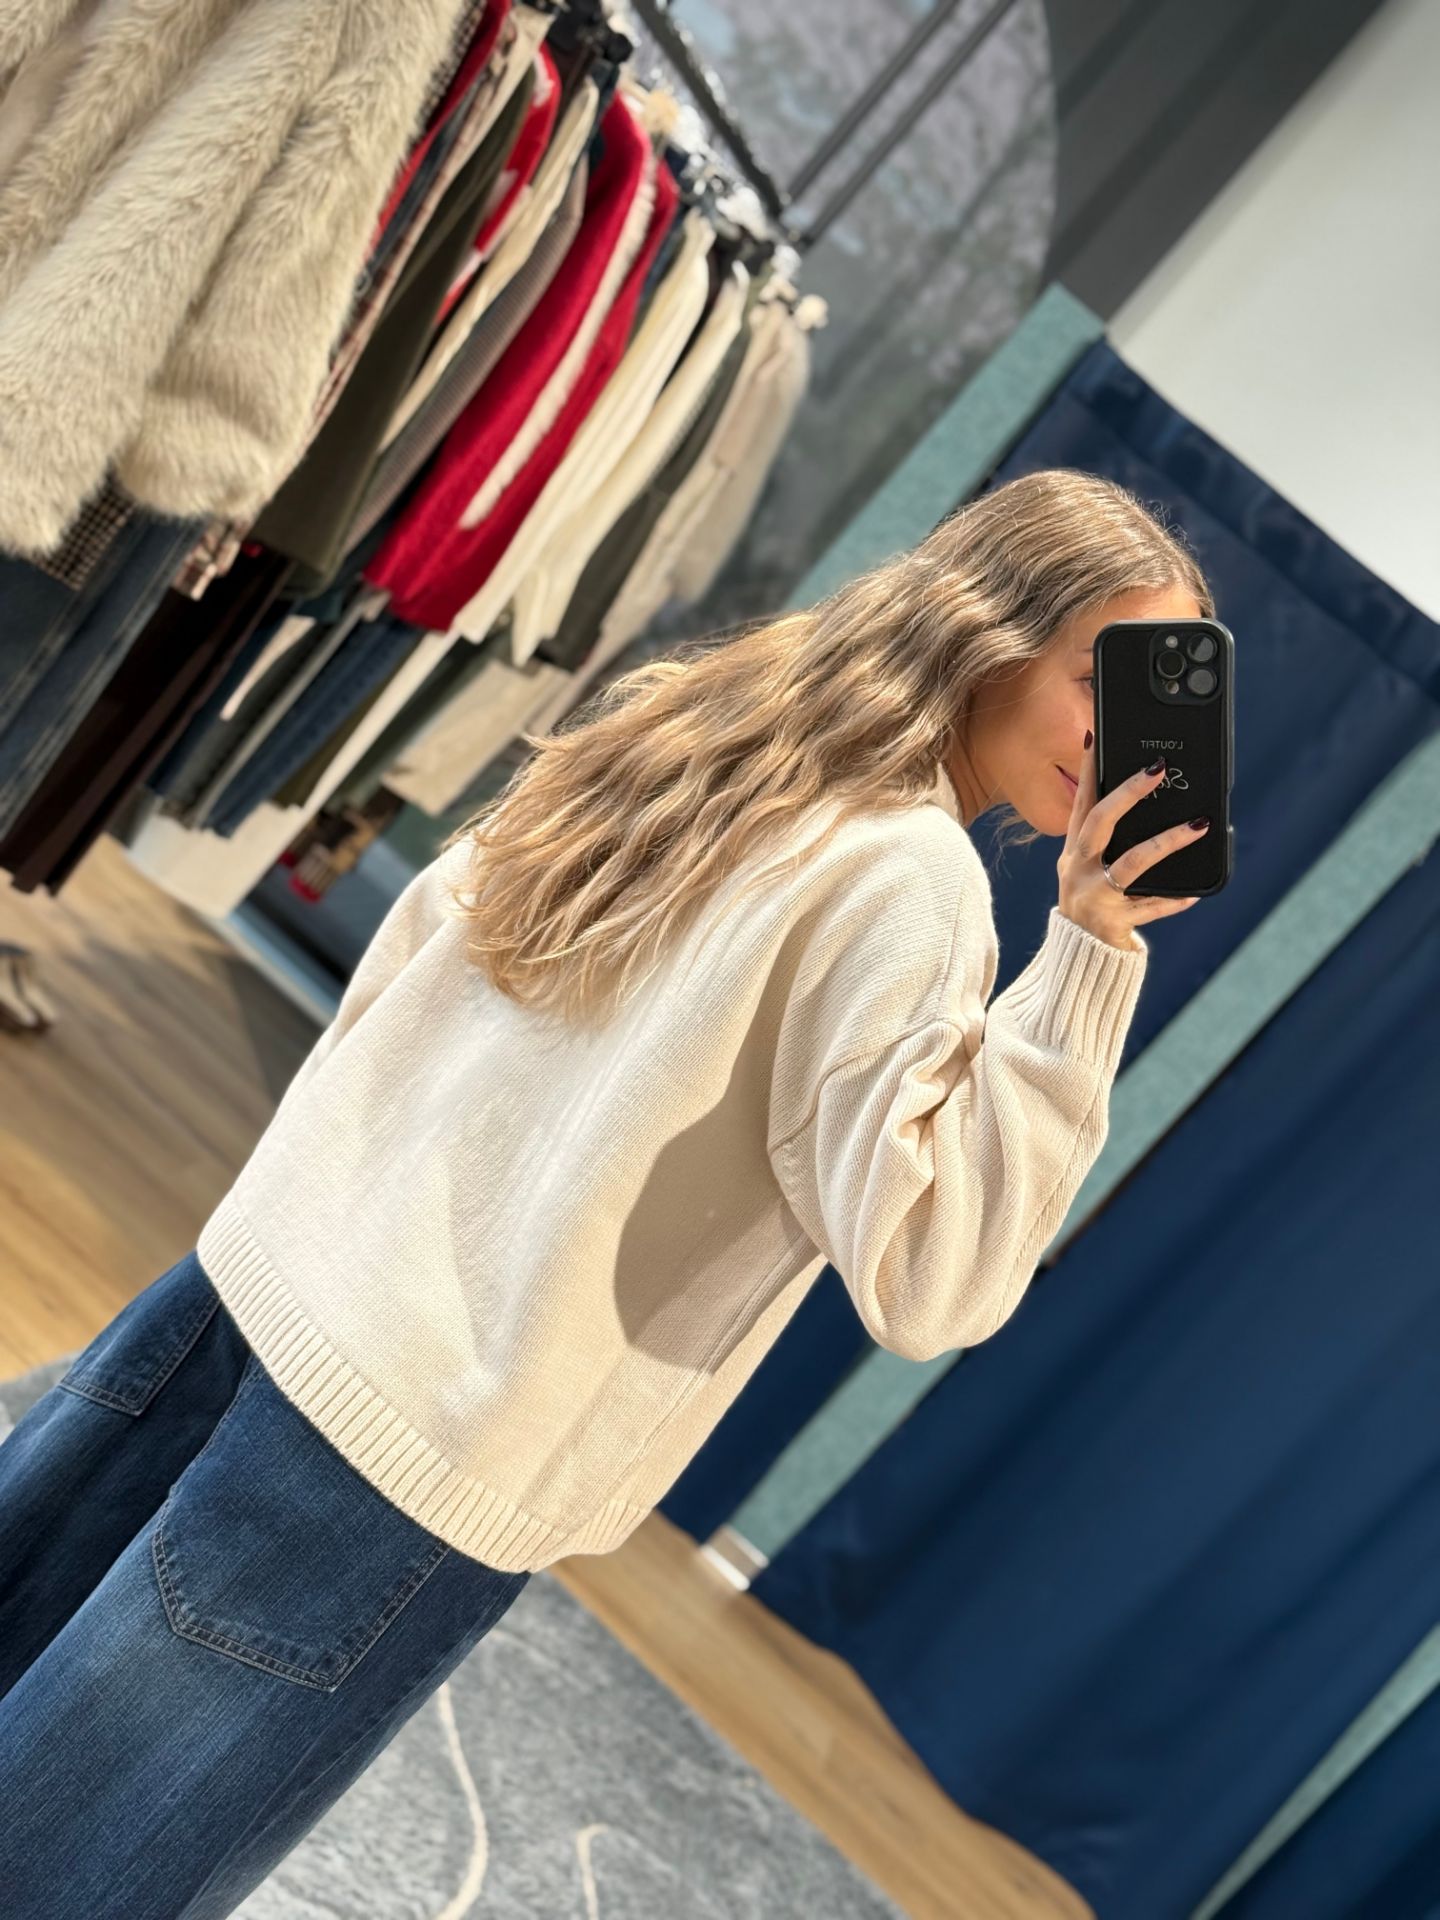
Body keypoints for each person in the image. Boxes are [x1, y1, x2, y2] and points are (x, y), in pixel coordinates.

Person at [0, 466, 1215, 1917]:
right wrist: (1091, 956)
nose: (1120, 742)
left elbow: (424, 935)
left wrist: (313, 1200)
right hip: (418, 1442)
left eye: (1155, 701)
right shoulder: (911, 881)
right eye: (1101, 681)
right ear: (990, 631)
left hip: (261, 1289)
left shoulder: (718, 721)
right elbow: (935, 1281)